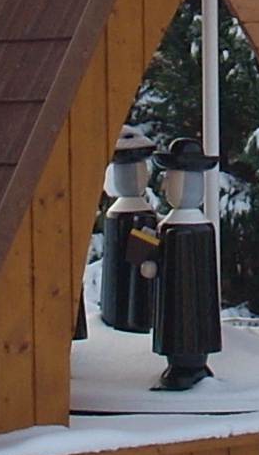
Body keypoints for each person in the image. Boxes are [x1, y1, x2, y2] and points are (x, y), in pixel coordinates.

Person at [149, 133, 224, 390]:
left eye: (174, 179)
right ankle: (178, 363)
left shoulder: (199, 228)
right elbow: (145, 258)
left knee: (192, 327)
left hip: (197, 305)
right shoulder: (168, 225)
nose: (165, 187)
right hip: (171, 302)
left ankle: (194, 365)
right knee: (173, 327)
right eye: (168, 179)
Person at [96, 125, 161, 334]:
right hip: (128, 313)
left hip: (134, 311)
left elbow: (140, 264)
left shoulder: (130, 214)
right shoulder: (129, 215)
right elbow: (137, 263)